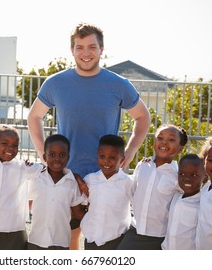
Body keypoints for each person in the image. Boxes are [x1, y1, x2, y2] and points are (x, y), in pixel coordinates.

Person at [27, 22, 150, 249]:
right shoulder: (55, 83)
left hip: (105, 175)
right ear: (72, 50)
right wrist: (44, 156)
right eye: (79, 47)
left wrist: (130, 152)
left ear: (102, 49)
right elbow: (34, 117)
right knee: (69, 236)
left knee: (104, 239)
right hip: (67, 174)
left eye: (92, 47)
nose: (86, 53)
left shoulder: (119, 84)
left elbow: (143, 117)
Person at [117, 124, 188, 250]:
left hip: (159, 238)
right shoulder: (142, 165)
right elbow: (132, 193)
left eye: (171, 140)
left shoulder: (178, 175)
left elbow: (190, 198)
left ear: (180, 149)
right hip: (135, 231)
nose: (164, 142)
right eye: (160, 138)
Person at [0, 125, 44, 250]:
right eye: (4, 143)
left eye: (15, 145)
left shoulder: (22, 167)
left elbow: (44, 169)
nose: (10, 148)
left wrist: (74, 176)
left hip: (14, 229)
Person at [27, 134, 86, 250]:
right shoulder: (37, 176)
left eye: (62, 155)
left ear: (68, 157)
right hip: (36, 240)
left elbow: (78, 213)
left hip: (60, 242)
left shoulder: (72, 183)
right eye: (52, 154)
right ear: (45, 156)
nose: (57, 159)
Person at [80, 134, 134, 250]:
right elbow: (83, 204)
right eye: (102, 156)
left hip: (116, 240)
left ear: (122, 159)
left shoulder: (128, 182)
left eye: (112, 158)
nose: (106, 161)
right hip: (91, 239)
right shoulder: (89, 180)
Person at [161, 154, 206, 250]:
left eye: (194, 175)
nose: (187, 178)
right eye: (182, 174)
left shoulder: (204, 202)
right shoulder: (175, 195)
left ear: (205, 178)